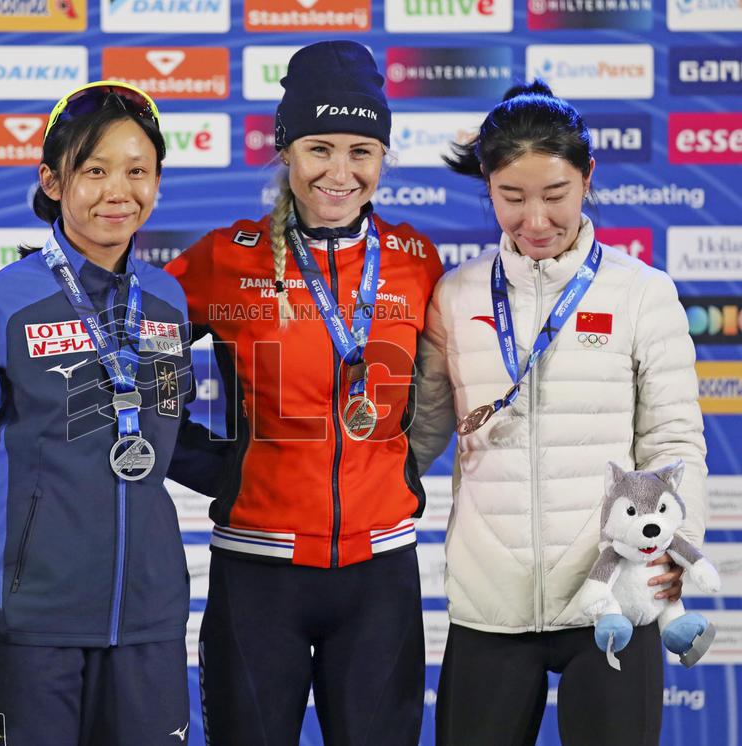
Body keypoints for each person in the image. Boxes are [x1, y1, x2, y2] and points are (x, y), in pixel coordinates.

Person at [0, 81, 212, 745]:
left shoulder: (168, 302)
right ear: (54, 181)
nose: (117, 190)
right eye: (94, 170)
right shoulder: (1, 303)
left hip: (148, 623)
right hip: (28, 625)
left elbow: (166, 439)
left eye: (137, 171)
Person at [410, 80, 708, 746]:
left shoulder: (642, 292)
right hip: (490, 606)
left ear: (588, 178)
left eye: (555, 196)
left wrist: (676, 547)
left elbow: (674, 440)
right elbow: (422, 433)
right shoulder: (455, 295)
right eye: (511, 198)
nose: (535, 220)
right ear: (487, 185)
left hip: (615, 600)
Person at [165, 41, 444, 745]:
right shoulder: (226, 257)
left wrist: (406, 464)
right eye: (319, 148)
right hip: (257, 571)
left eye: (362, 151)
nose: (340, 172)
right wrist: (212, 467)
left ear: (383, 158)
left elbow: (447, 389)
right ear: (285, 152)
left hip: (380, 572)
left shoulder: (416, 262)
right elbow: (124, 351)